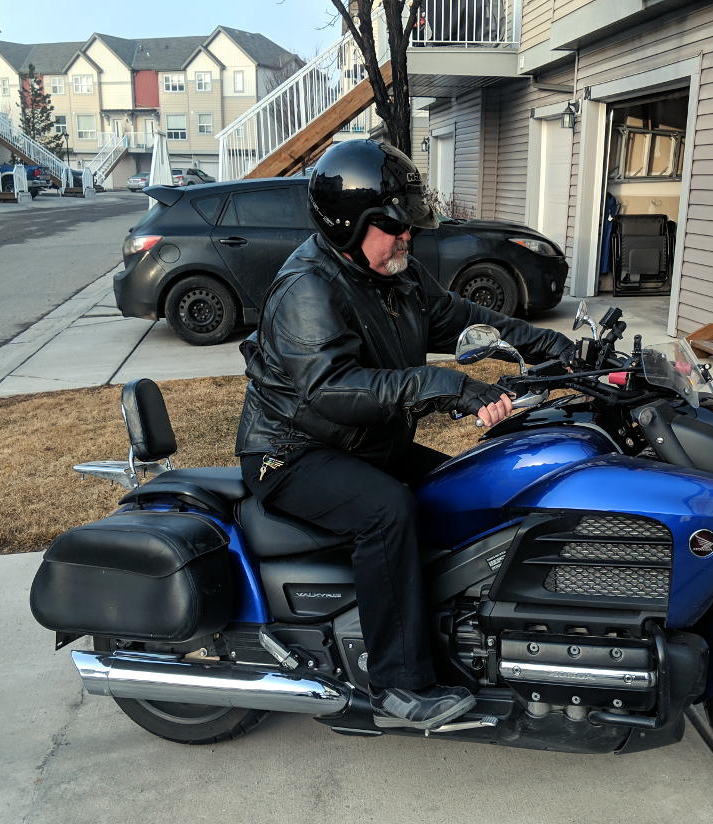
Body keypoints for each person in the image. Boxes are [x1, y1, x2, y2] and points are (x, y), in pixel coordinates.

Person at [235, 140, 576, 730]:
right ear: (349, 224)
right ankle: (397, 687)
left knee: (477, 488)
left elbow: (466, 319)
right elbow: (332, 389)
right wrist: (442, 385)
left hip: (365, 443)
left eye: (409, 225)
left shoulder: (397, 275)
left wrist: (555, 346)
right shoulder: (309, 289)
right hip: (292, 452)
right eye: (394, 225)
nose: (407, 237)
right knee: (385, 510)